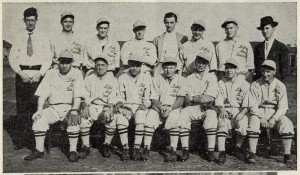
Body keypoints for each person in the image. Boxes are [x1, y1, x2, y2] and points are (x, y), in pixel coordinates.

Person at [24, 50, 84, 162]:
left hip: (70, 107)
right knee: (38, 119)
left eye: (67, 62)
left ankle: (73, 151)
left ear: (71, 63)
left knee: (73, 121)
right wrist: (39, 110)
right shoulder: (51, 73)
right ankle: (39, 150)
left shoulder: (77, 74)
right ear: (58, 62)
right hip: (53, 107)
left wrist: (75, 110)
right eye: (62, 62)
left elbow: (78, 96)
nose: (64, 65)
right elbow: (42, 94)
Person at [9, 7, 52, 150]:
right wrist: (21, 73)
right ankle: (22, 141)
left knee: (37, 107)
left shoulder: (43, 36)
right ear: (24, 20)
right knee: (22, 108)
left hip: (37, 75)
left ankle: (37, 141)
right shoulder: (19, 36)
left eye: (33, 20)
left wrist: (40, 73)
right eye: (28, 20)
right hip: (22, 75)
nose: (30, 23)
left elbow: (48, 57)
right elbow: (12, 57)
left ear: (36, 20)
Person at [165, 52, 219, 162]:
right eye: (199, 62)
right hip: (192, 107)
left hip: (207, 107)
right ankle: (185, 149)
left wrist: (195, 98)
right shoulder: (188, 78)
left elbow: (210, 97)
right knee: (183, 114)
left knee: (212, 116)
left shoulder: (212, 77)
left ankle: (211, 150)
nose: (201, 65)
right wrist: (199, 98)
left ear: (207, 64)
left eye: (204, 63)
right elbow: (187, 98)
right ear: (195, 63)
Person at [247, 60, 294, 164]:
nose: (265, 74)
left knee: (287, 124)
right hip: (259, 111)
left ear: (274, 72)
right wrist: (261, 117)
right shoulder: (255, 84)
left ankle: (287, 154)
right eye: (263, 71)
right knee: (253, 122)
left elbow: (283, 106)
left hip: (275, 111)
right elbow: (252, 104)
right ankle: (252, 153)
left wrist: (274, 118)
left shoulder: (280, 85)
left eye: (268, 71)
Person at [79, 55, 125, 160]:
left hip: (106, 106)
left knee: (111, 118)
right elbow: (85, 94)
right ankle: (85, 145)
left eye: (103, 65)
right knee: (84, 117)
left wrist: (109, 106)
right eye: (98, 65)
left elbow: (115, 96)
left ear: (107, 66)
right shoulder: (89, 78)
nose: (100, 67)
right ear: (95, 66)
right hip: (93, 105)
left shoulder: (112, 79)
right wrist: (85, 104)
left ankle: (106, 144)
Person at [143, 56, 186, 161]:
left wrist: (171, 108)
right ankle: (146, 148)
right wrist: (161, 106)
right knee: (150, 119)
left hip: (173, 107)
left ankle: (173, 150)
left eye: (171, 68)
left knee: (174, 120)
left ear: (176, 68)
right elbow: (153, 97)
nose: (168, 70)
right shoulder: (157, 78)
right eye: (166, 67)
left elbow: (181, 99)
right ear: (162, 68)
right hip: (159, 107)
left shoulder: (181, 79)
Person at [117, 54, 153, 161]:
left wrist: (144, 105)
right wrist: (123, 107)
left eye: (137, 66)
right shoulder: (122, 77)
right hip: (126, 106)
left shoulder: (146, 78)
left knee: (141, 117)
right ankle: (125, 148)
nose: (135, 68)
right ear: (129, 65)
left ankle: (136, 147)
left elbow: (147, 98)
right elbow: (119, 96)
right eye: (132, 65)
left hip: (139, 106)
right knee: (121, 118)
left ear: (141, 66)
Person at [215, 58, 250, 164]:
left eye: (232, 68)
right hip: (225, 108)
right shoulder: (221, 82)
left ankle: (237, 147)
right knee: (222, 123)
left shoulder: (244, 83)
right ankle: (222, 152)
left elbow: (247, 102)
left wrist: (242, 113)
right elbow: (219, 99)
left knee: (243, 123)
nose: (229, 70)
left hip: (239, 109)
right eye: (227, 68)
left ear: (237, 70)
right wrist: (222, 109)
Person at [216, 18, 254, 82]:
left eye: (231, 28)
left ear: (237, 28)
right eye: (227, 28)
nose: (229, 30)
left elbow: (250, 67)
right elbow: (216, 66)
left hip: (241, 77)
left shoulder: (245, 43)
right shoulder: (219, 45)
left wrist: (243, 79)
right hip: (224, 78)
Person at [253, 16, 289, 82]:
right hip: (260, 84)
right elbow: (256, 67)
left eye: (267, 28)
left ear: (273, 28)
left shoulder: (281, 47)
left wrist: (280, 85)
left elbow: (284, 70)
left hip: (275, 83)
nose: (264, 31)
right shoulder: (257, 47)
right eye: (262, 29)